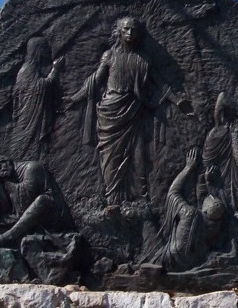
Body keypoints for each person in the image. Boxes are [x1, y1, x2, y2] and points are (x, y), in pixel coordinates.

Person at [71, 16, 193, 204]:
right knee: (109, 157)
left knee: (138, 155)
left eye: (134, 30)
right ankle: (112, 199)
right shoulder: (109, 55)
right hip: (110, 112)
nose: (130, 33)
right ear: (119, 32)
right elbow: (95, 81)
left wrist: (177, 102)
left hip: (133, 110)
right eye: (126, 29)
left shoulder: (143, 59)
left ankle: (142, 198)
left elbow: (160, 84)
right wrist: (74, 98)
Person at [0, 155, 74, 247]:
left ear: (5, 162)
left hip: (51, 213)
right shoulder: (10, 177)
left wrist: (7, 182)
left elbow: (27, 199)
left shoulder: (31, 168)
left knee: (42, 200)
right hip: (26, 214)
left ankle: (6, 237)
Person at [7, 37, 63, 160]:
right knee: (26, 145)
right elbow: (38, 89)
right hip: (29, 116)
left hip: (34, 114)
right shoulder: (27, 69)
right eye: (45, 48)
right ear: (38, 50)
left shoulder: (34, 68)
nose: (48, 51)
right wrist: (55, 70)